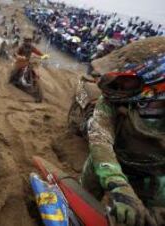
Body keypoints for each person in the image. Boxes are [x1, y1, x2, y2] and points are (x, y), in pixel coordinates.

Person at [81, 48, 165, 226]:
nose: (119, 87)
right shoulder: (111, 101)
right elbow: (99, 139)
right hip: (106, 163)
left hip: (153, 178)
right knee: (82, 201)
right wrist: (117, 184)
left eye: (127, 81)